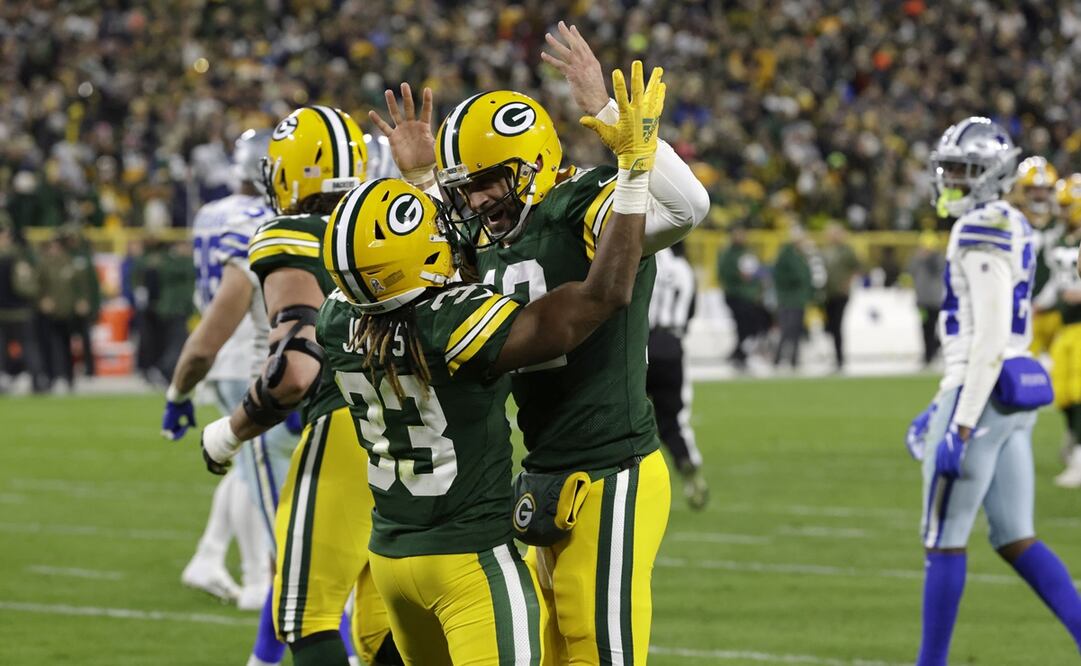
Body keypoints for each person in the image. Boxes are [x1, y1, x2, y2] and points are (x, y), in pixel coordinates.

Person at [370, 22, 708, 662]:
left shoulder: (582, 205)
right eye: (465, 185)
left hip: (614, 467)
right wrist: (417, 180)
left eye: (489, 180)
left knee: (597, 649)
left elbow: (687, 207)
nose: (476, 199)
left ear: (531, 163)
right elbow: (424, 259)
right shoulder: (483, 237)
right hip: (542, 469)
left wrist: (610, 118)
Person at [318, 74, 652, 656]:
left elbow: (418, 266)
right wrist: (634, 171)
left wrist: (420, 182)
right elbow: (601, 298)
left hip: (391, 557)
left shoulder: (338, 323)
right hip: (470, 559)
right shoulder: (455, 326)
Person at [197, 106, 398, 666]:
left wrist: (229, 433)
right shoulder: (392, 225)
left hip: (345, 424)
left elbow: (297, 366)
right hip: (420, 436)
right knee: (385, 628)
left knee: (302, 614)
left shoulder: (290, 234)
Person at [907, 117, 1081, 665]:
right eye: (950, 168)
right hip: (1011, 399)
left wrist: (956, 420)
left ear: (990, 175)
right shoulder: (1013, 222)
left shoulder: (980, 227)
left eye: (963, 170)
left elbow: (984, 340)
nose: (951, 179)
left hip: (977, 395)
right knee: (1015, 536)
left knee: (943, 537)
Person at [160, 129, 302, 665]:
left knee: (262, 492)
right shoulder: (265, 226)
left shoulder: (213, 212)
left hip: (239, 365)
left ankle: (216, 561)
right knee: (295, 543)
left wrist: (180, 389)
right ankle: (243, 577)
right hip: (261, 366)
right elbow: (237, 296)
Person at [647, 242, 708, 510]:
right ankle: (685, 458)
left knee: (628, 415)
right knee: (673, 419)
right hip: (673, 345)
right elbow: (692, 310)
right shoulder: (684, 269)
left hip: (643, 345)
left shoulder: (645, 259)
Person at [1044, 174, 1081, 488]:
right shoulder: (1057, 240)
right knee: (1064, 394)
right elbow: (1055, 282)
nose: (1062, 210)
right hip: (1065, 325)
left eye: (1068, 205)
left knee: (1080, 392)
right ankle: (1074, 445)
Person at [1012, 157, 1063, 358]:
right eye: (1033, 189)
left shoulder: (1062, 224)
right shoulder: (1012, 221)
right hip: (1023, 310)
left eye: (1045, 189)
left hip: (1058, 310)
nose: (1040, 195)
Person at [716, 225, 768, 369]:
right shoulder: (727, 254)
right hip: (736, 295)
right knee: (743, 326)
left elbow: (757, 273)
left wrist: (759, 290)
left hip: (750, 297)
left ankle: (738, 353)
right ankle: (739, 355)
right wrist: (738, 278)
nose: (741, 237)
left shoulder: (749, 252)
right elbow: (723, 274)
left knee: (752, 327)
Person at [0, 221, 38, 392]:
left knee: (25, 346)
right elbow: (27, 287)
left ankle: (32, 378)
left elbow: (26, 286)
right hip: (16, 310)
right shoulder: (18, 257)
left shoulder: (16, 257)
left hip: (15, 310)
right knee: (25, 346)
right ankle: (31, 379)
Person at [819, 222, 860, 369]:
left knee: (836, 326)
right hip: (827, 293)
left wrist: (848, 283)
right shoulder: (825, 251)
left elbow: (856, 267)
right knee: (829, 326)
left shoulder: (846, 251)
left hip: (840, 294)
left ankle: (839, 358)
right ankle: (833, 356)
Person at [772, 226, 813, 369]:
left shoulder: (800, 255)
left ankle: (794, 359)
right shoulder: (787, 254)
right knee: (787, 330)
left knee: (796, 330)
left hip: (799, 299)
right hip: (788, 298)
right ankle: (778, 359)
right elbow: (780, 275)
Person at [906, 232, 946, 366]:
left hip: (935, 300)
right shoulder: (917, 259)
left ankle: (933, 350)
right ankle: (928, 354)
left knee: (934, 326)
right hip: (921, 300)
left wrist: (927, 258)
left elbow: (938, 270)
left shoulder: (938, 258)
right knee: (925, 327)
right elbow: (910, 271)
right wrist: (918, 259)